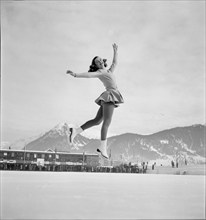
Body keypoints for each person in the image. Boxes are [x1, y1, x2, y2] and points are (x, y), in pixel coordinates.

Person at [66, 43, 124, 159]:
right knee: (106, 122)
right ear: (96, 65)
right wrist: (75, 74)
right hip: (110, 96)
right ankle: (103, 147)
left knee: (97, 121)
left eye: (100, 60)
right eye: (97, 62)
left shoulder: (109, 71)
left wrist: (115, 51)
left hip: (109, 96)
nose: (100, 61)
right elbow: (88, 75)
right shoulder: (100, 72)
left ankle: (76, 131)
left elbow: (115, 63)